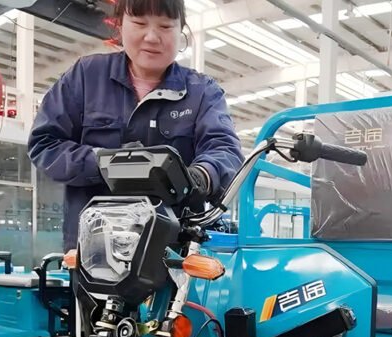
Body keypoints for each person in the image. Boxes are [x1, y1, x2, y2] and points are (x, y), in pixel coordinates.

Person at [28, 0, 244, 249]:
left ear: (180, 30)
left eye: (165, 26)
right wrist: (105, 163)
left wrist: (199, 176)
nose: (151, 37)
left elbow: (226, 150)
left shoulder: (202, 93)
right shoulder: (85, 77)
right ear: (120, 24)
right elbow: (44, 143)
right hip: (96, 252)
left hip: (175, 253)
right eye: (140, 23)